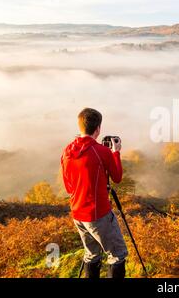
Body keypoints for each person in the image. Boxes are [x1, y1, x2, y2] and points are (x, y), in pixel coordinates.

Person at [61, 108, 128, 278]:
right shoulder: (101, 151)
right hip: (98, 215)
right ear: (98, 128)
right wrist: (116, 152)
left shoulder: (67, 151)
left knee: (91, 255)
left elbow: (69, 188)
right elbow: (118, 177)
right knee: (118, 255)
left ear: (80, 126)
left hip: (77, 214)